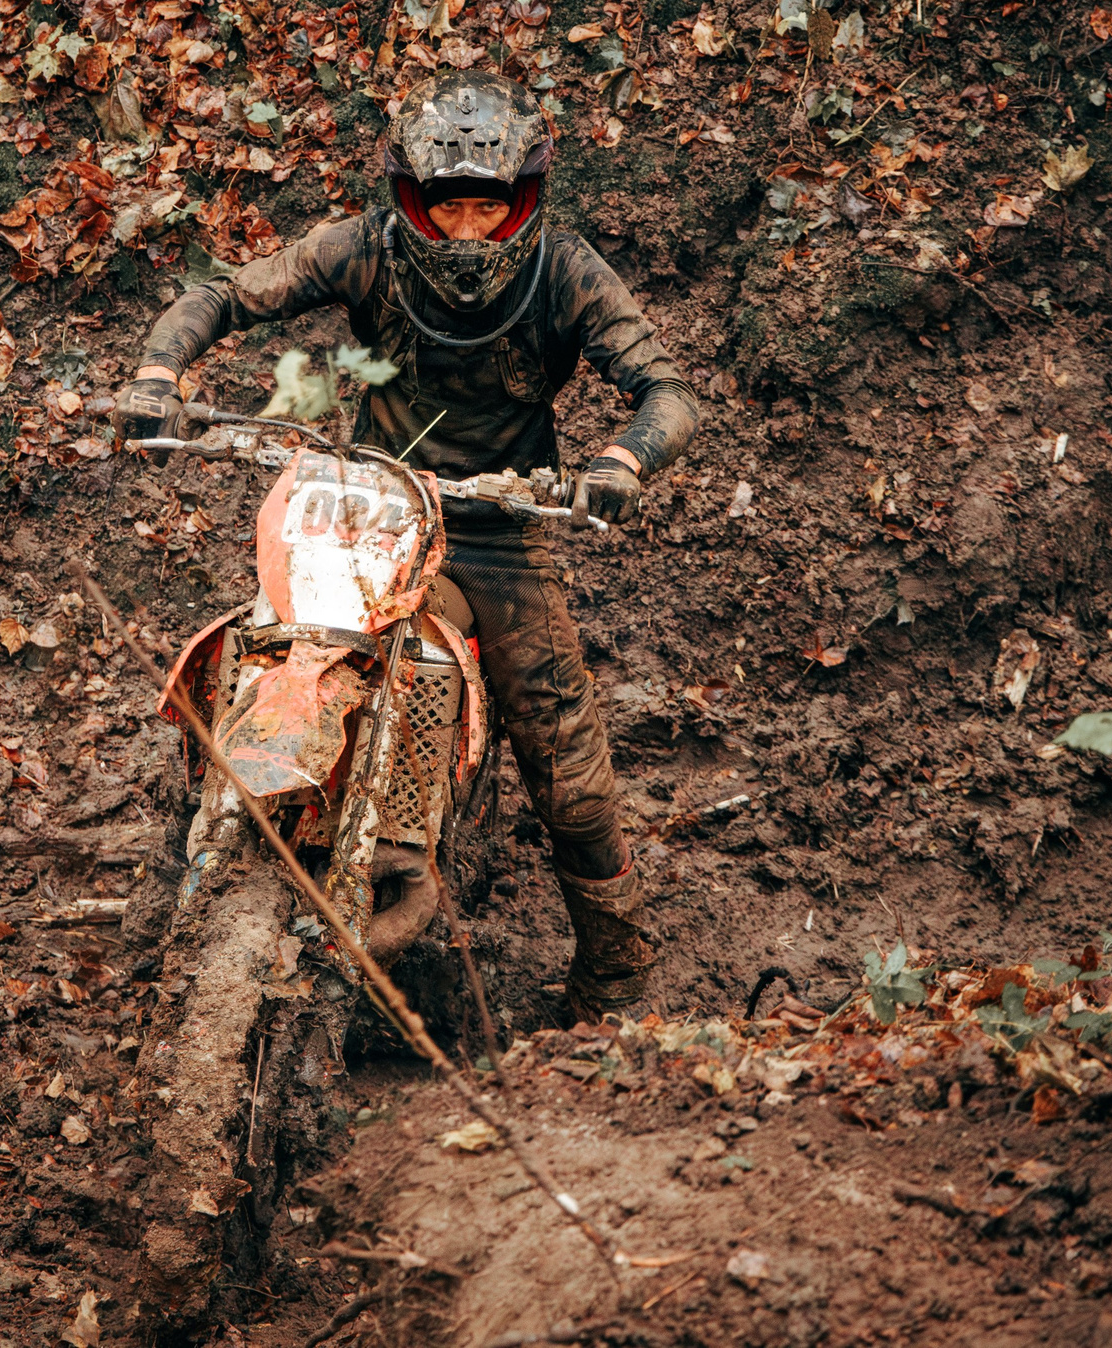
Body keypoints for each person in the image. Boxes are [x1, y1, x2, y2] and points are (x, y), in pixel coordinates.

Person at [114, 70, 701, 1019]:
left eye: (485, 208)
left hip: (500, 532)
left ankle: (619, 973)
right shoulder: (362, 250)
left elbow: (667, 390)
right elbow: (225, 294)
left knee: (572, 773)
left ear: (523, 204)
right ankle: (192, 865)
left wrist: (622, 462)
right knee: (257, 655)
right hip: (367, 511)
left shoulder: (567, 270)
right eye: (446, 208)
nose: (466, 231)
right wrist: (155, 375)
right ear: (408, 202)